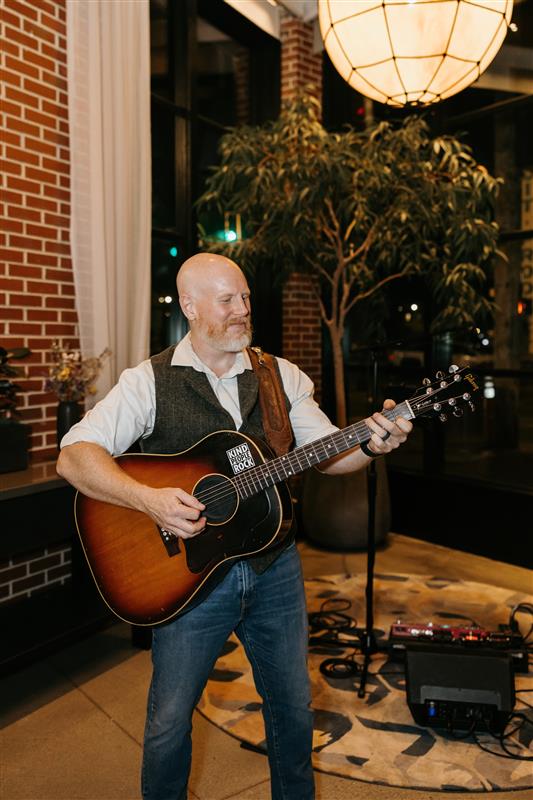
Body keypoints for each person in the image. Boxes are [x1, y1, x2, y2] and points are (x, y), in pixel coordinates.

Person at [57, 253, 413, 800]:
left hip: (274, 570)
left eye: (245, 297)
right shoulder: (147, 381)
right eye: (226, 300)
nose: (242, 310)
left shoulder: (280, 375)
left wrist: (370, 442)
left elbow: (326, 456)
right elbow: (74, 456)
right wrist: (147, 499)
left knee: (292, 709)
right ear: (190, 306)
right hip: (187, 579)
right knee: (170, 719)